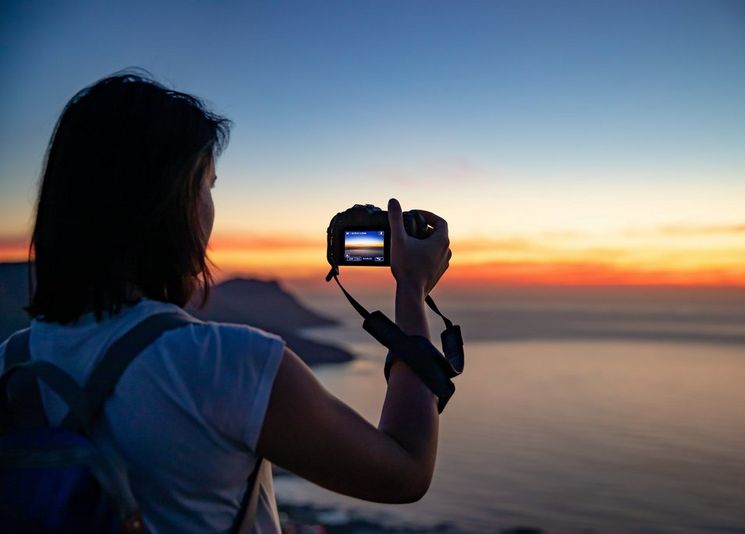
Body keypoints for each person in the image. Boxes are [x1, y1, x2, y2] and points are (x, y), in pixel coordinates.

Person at [0, 73, 452, 532]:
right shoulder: (227, 364)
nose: (211, 207)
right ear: (172, 200)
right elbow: (404, 470)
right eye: (209, 185)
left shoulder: (11, 365)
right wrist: (412, 291)